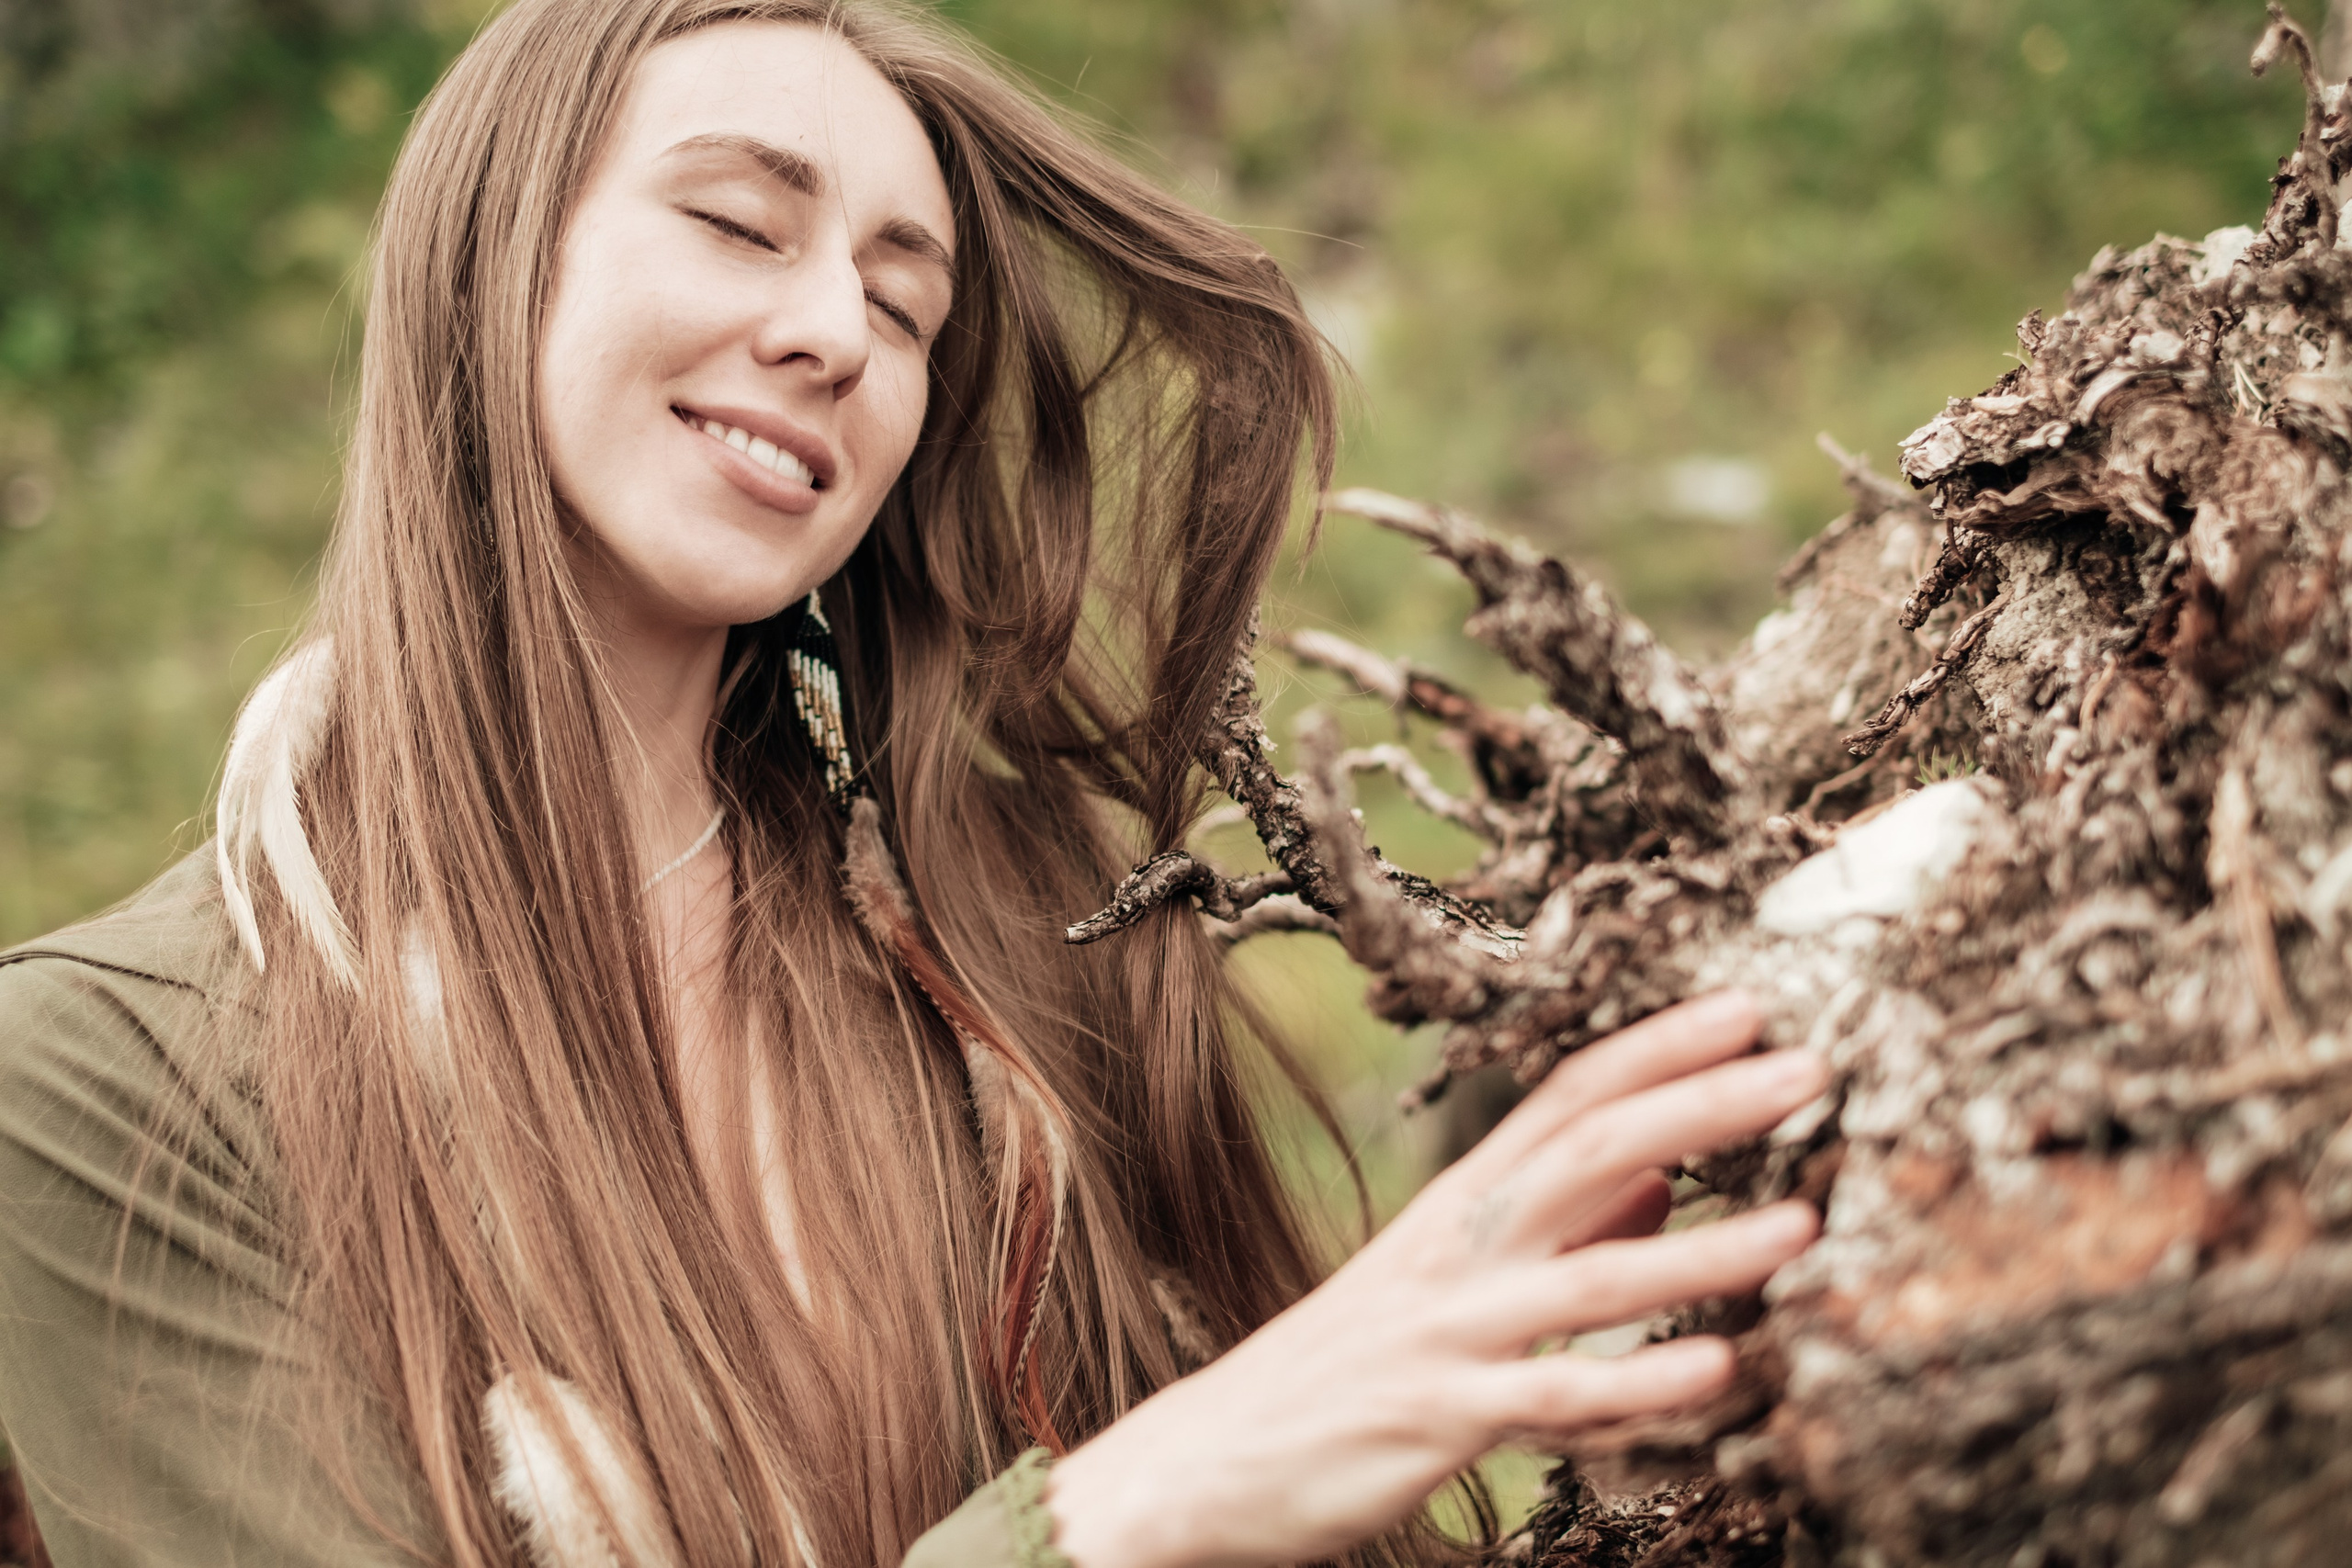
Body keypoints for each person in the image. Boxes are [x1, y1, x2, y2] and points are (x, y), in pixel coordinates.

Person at [0, 2, 1827, 1564]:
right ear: (486, 263)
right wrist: (1119, 1508)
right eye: (736, 223)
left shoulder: (1011, 948)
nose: (836, 335)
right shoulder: (105, 1083)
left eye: (905, 300)